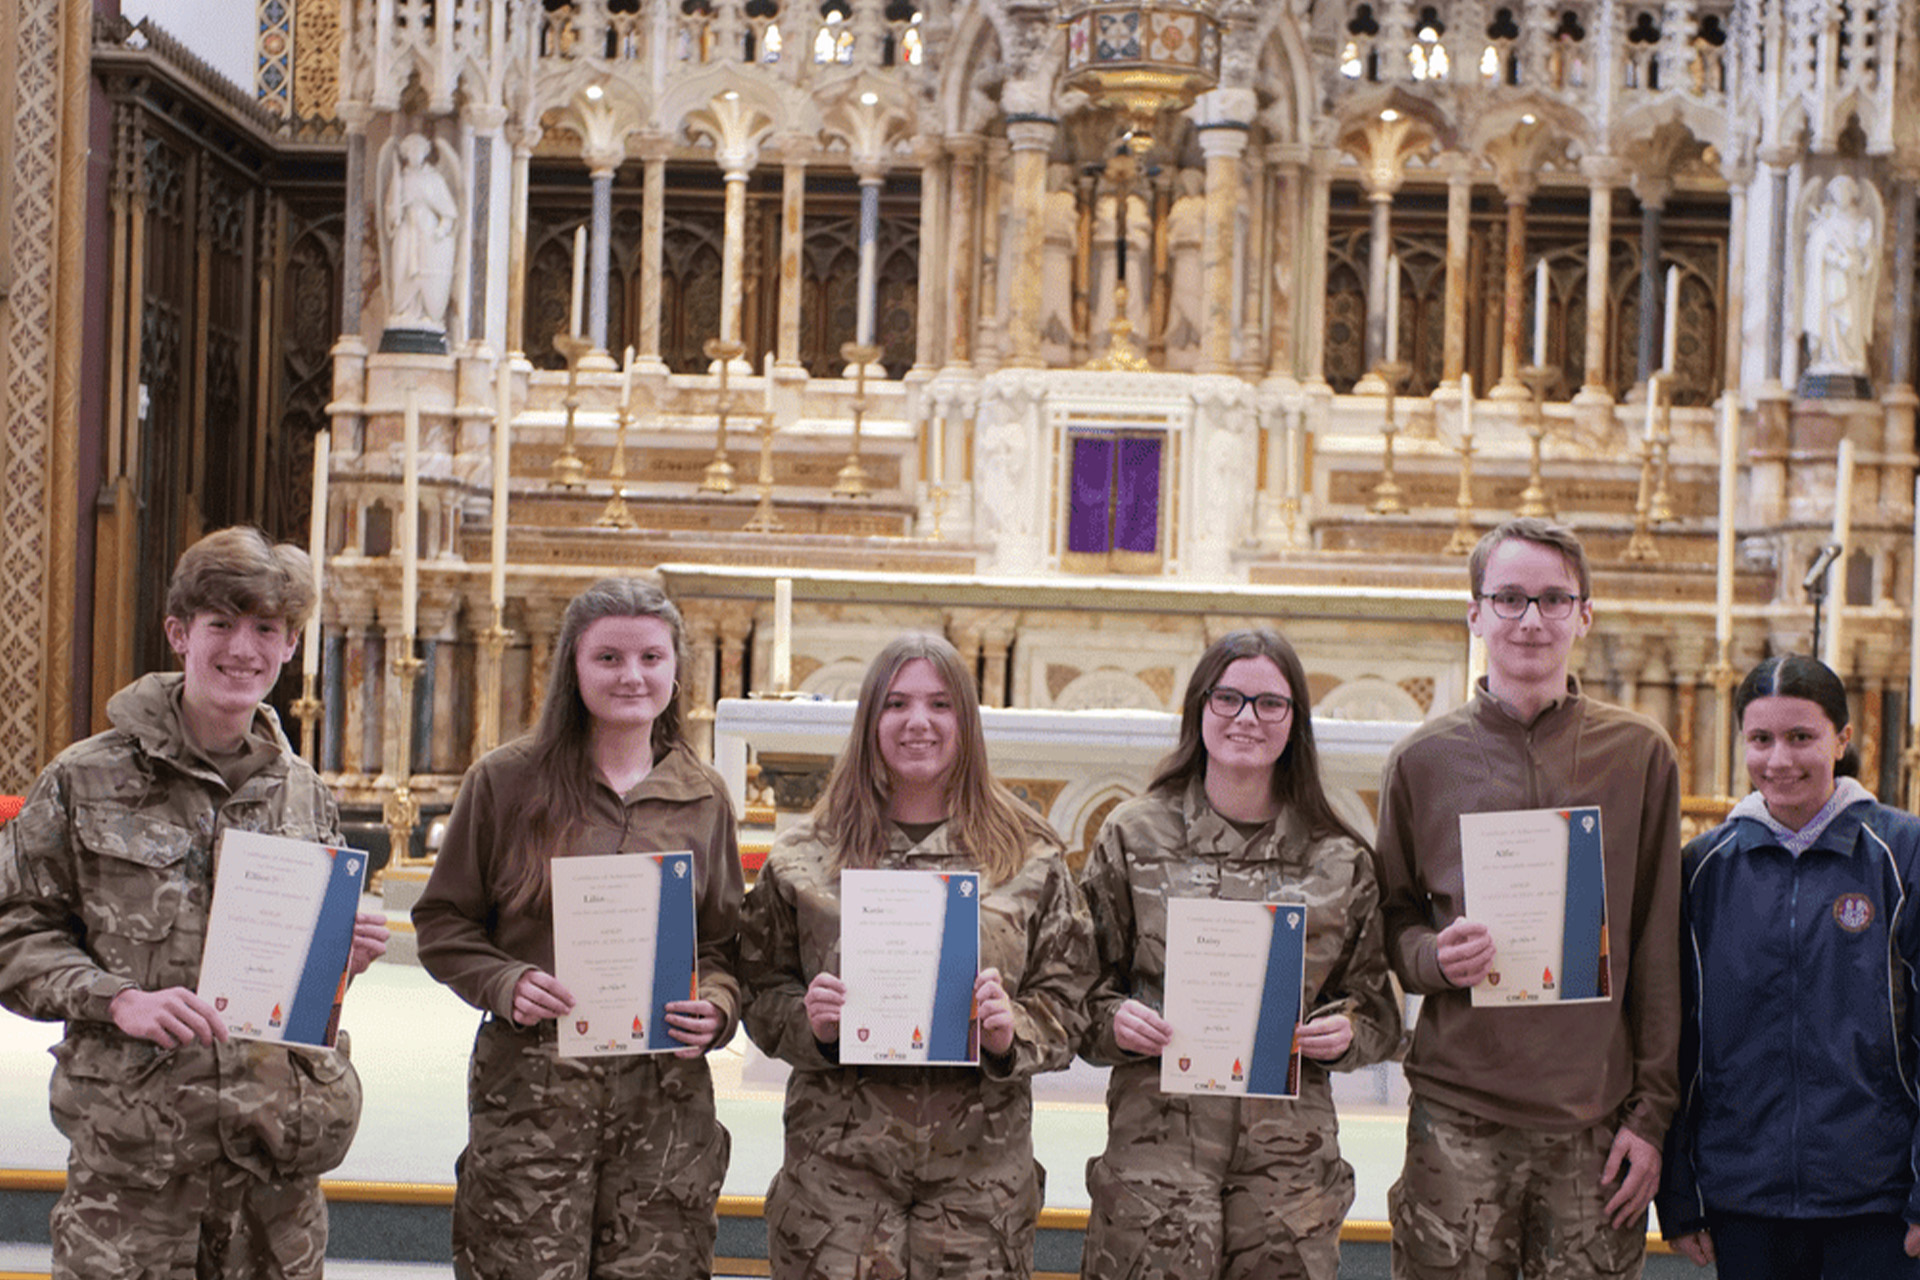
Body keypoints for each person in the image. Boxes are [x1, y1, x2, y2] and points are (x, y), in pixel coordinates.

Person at [0, 525, 389, 1280]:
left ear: (290, 647)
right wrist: (116, 1000)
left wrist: (339, 961)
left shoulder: (307, 795)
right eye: (221, 623)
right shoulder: (85, 778)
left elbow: (302, 987)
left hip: (275, 1170)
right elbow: (13, 932)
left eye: (266, 629)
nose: (243, 648)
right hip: (139, 1167)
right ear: (180, 633)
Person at [1372, 517, 1683, 1278]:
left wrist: (1651, 1115)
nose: (1531, 619)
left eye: (1552, 599)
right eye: (1508, 598)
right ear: (1474, 613)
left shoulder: (1638, 754)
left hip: (1593, 1119)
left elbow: (1659, 946)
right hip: (1458, 1114)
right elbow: (1392, 922)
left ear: (1585, 615)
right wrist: (1434, 958)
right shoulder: (1423, 759)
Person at [739, 632, 1096, 1279]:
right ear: (870, 718)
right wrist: (809, 1022)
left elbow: (1071, 1002)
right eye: (896, 703)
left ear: (966, 721)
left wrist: (1008, 1028)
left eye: (939, 704)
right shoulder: (806, 855)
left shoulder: (1028, 855)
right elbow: (759, 990)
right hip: (836, 1172)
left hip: (978, 1177)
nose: (918, 723)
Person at [412, 578, 741, 1280]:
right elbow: (442, 920)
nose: (632, 676)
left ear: (676, 668)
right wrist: (505, 980)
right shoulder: (505, 782)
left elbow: (724, 945)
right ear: (574, 666)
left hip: (663, 1105)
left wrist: (716, 1006)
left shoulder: (703, 795)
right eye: (609, 659)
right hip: (532, 1099)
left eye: (651, 658)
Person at [1077, 627, 1402, 1280]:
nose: (1247, 718)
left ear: (1295, 723)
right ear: (1200, 708)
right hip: (1157, 1152)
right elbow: (1074, 995)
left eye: (1270, 703)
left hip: (1288, 1163)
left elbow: (1381, 1019)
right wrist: (1113, 1022)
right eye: (1228, 698)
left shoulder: (1338, 860)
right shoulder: (1133, 835)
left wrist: (1348, 1034)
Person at [1656, 654, 1920, 1276]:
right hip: (1744, 1195)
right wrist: (1680, 1193)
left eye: (1802, 737)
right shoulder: (1703, 869)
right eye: (1761, 739)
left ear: (1843, 739)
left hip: (1876, 1196)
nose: (1780, 760)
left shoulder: (1900, 855)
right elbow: (1676, 1040)